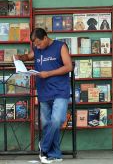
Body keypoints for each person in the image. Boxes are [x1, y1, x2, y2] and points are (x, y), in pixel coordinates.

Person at [14, 28, 73, 163]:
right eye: (35, 45)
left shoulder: (60, 46)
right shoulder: (38, 49)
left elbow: (69, 66)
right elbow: (28, 56)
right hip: (44, 91)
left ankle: (44, 147)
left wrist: (48, 73)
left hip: (60, 90)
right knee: (47, 123)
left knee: (57, 119)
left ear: (46, 38)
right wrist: (19, 58)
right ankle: (55, 154)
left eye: (39, 43)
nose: (37, 47)